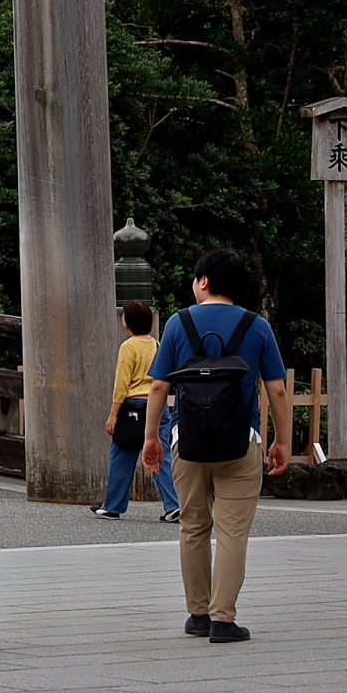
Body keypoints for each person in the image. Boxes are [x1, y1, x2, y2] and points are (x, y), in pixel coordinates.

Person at [141, 249, 291, 645]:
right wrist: (282, 441)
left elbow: (159, 385)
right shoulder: (257, 327)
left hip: (187, 443)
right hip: (240, 444)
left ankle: (198, 613)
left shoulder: (178, 323)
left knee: (192, 527)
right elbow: (275, 388)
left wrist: (151, 437)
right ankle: (224, 620)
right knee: (232, 532)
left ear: (203, 281)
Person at [95, 299, 181, 523]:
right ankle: (174, 505)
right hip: (158, 405)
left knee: (121, 454)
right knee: (161, 455)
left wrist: (113, 414)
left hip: (133, 405)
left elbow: (121, 384)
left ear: (128, 322)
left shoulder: (128, 347)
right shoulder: (157, 345)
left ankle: (113, 506)